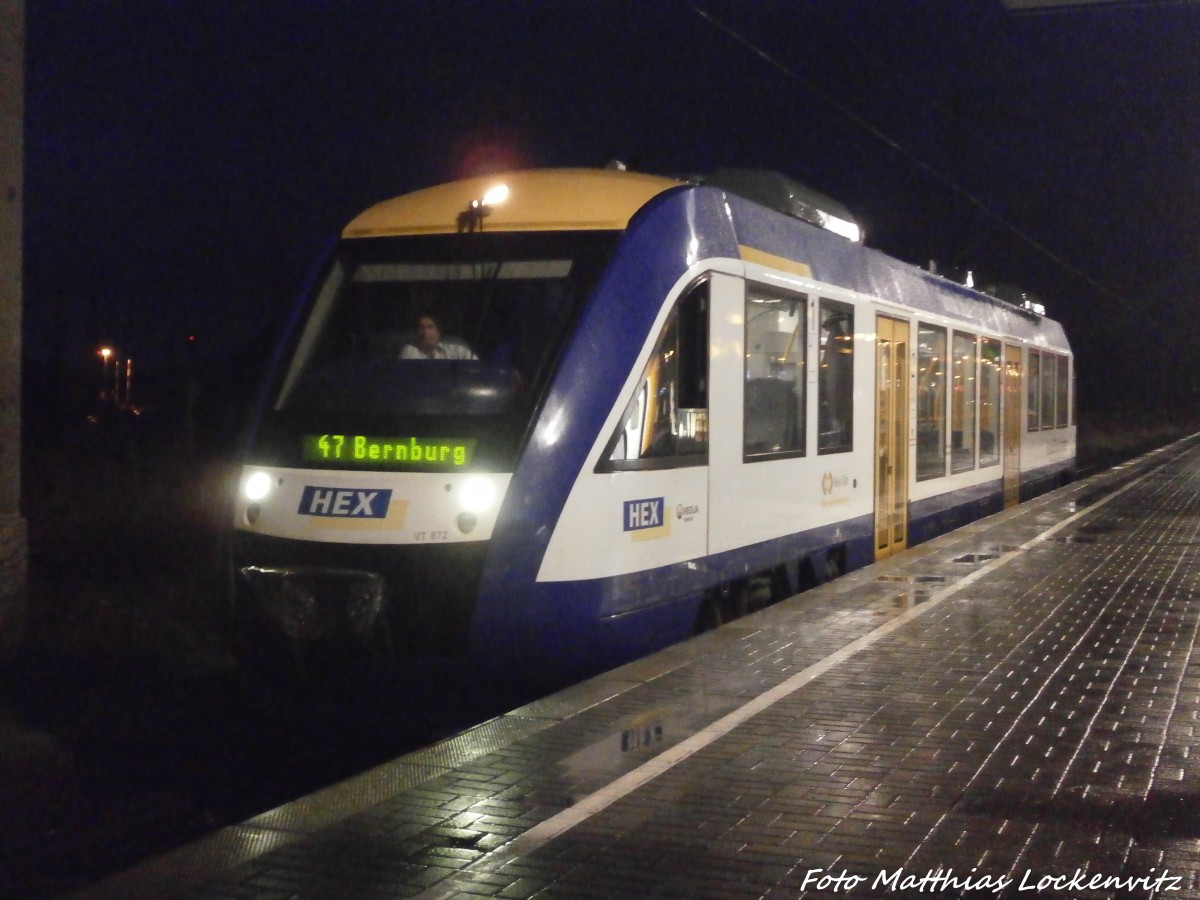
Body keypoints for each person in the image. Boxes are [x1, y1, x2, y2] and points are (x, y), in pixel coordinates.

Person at [399, 314, 477, 360]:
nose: (425, 332)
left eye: (430, 327)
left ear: (439, 330)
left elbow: (477, 369)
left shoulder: (457, 350)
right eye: (421, 328)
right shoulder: (410, 351)